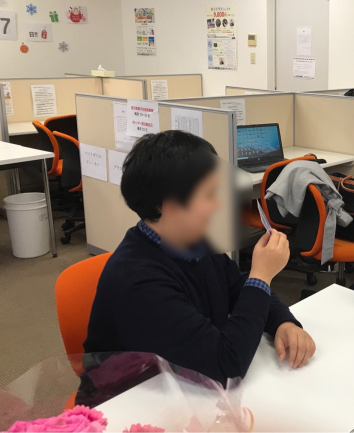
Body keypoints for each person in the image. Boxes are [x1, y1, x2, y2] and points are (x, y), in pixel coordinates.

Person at [84, 131, 315, 386]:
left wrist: (283, 322)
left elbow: (239, 288)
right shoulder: (138, 280)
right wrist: (262, 275)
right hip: (130, 396)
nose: (218, 204)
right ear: (168, 205)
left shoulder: (190, 240)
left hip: (182, 383)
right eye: (209, 194)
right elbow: (226, 366)